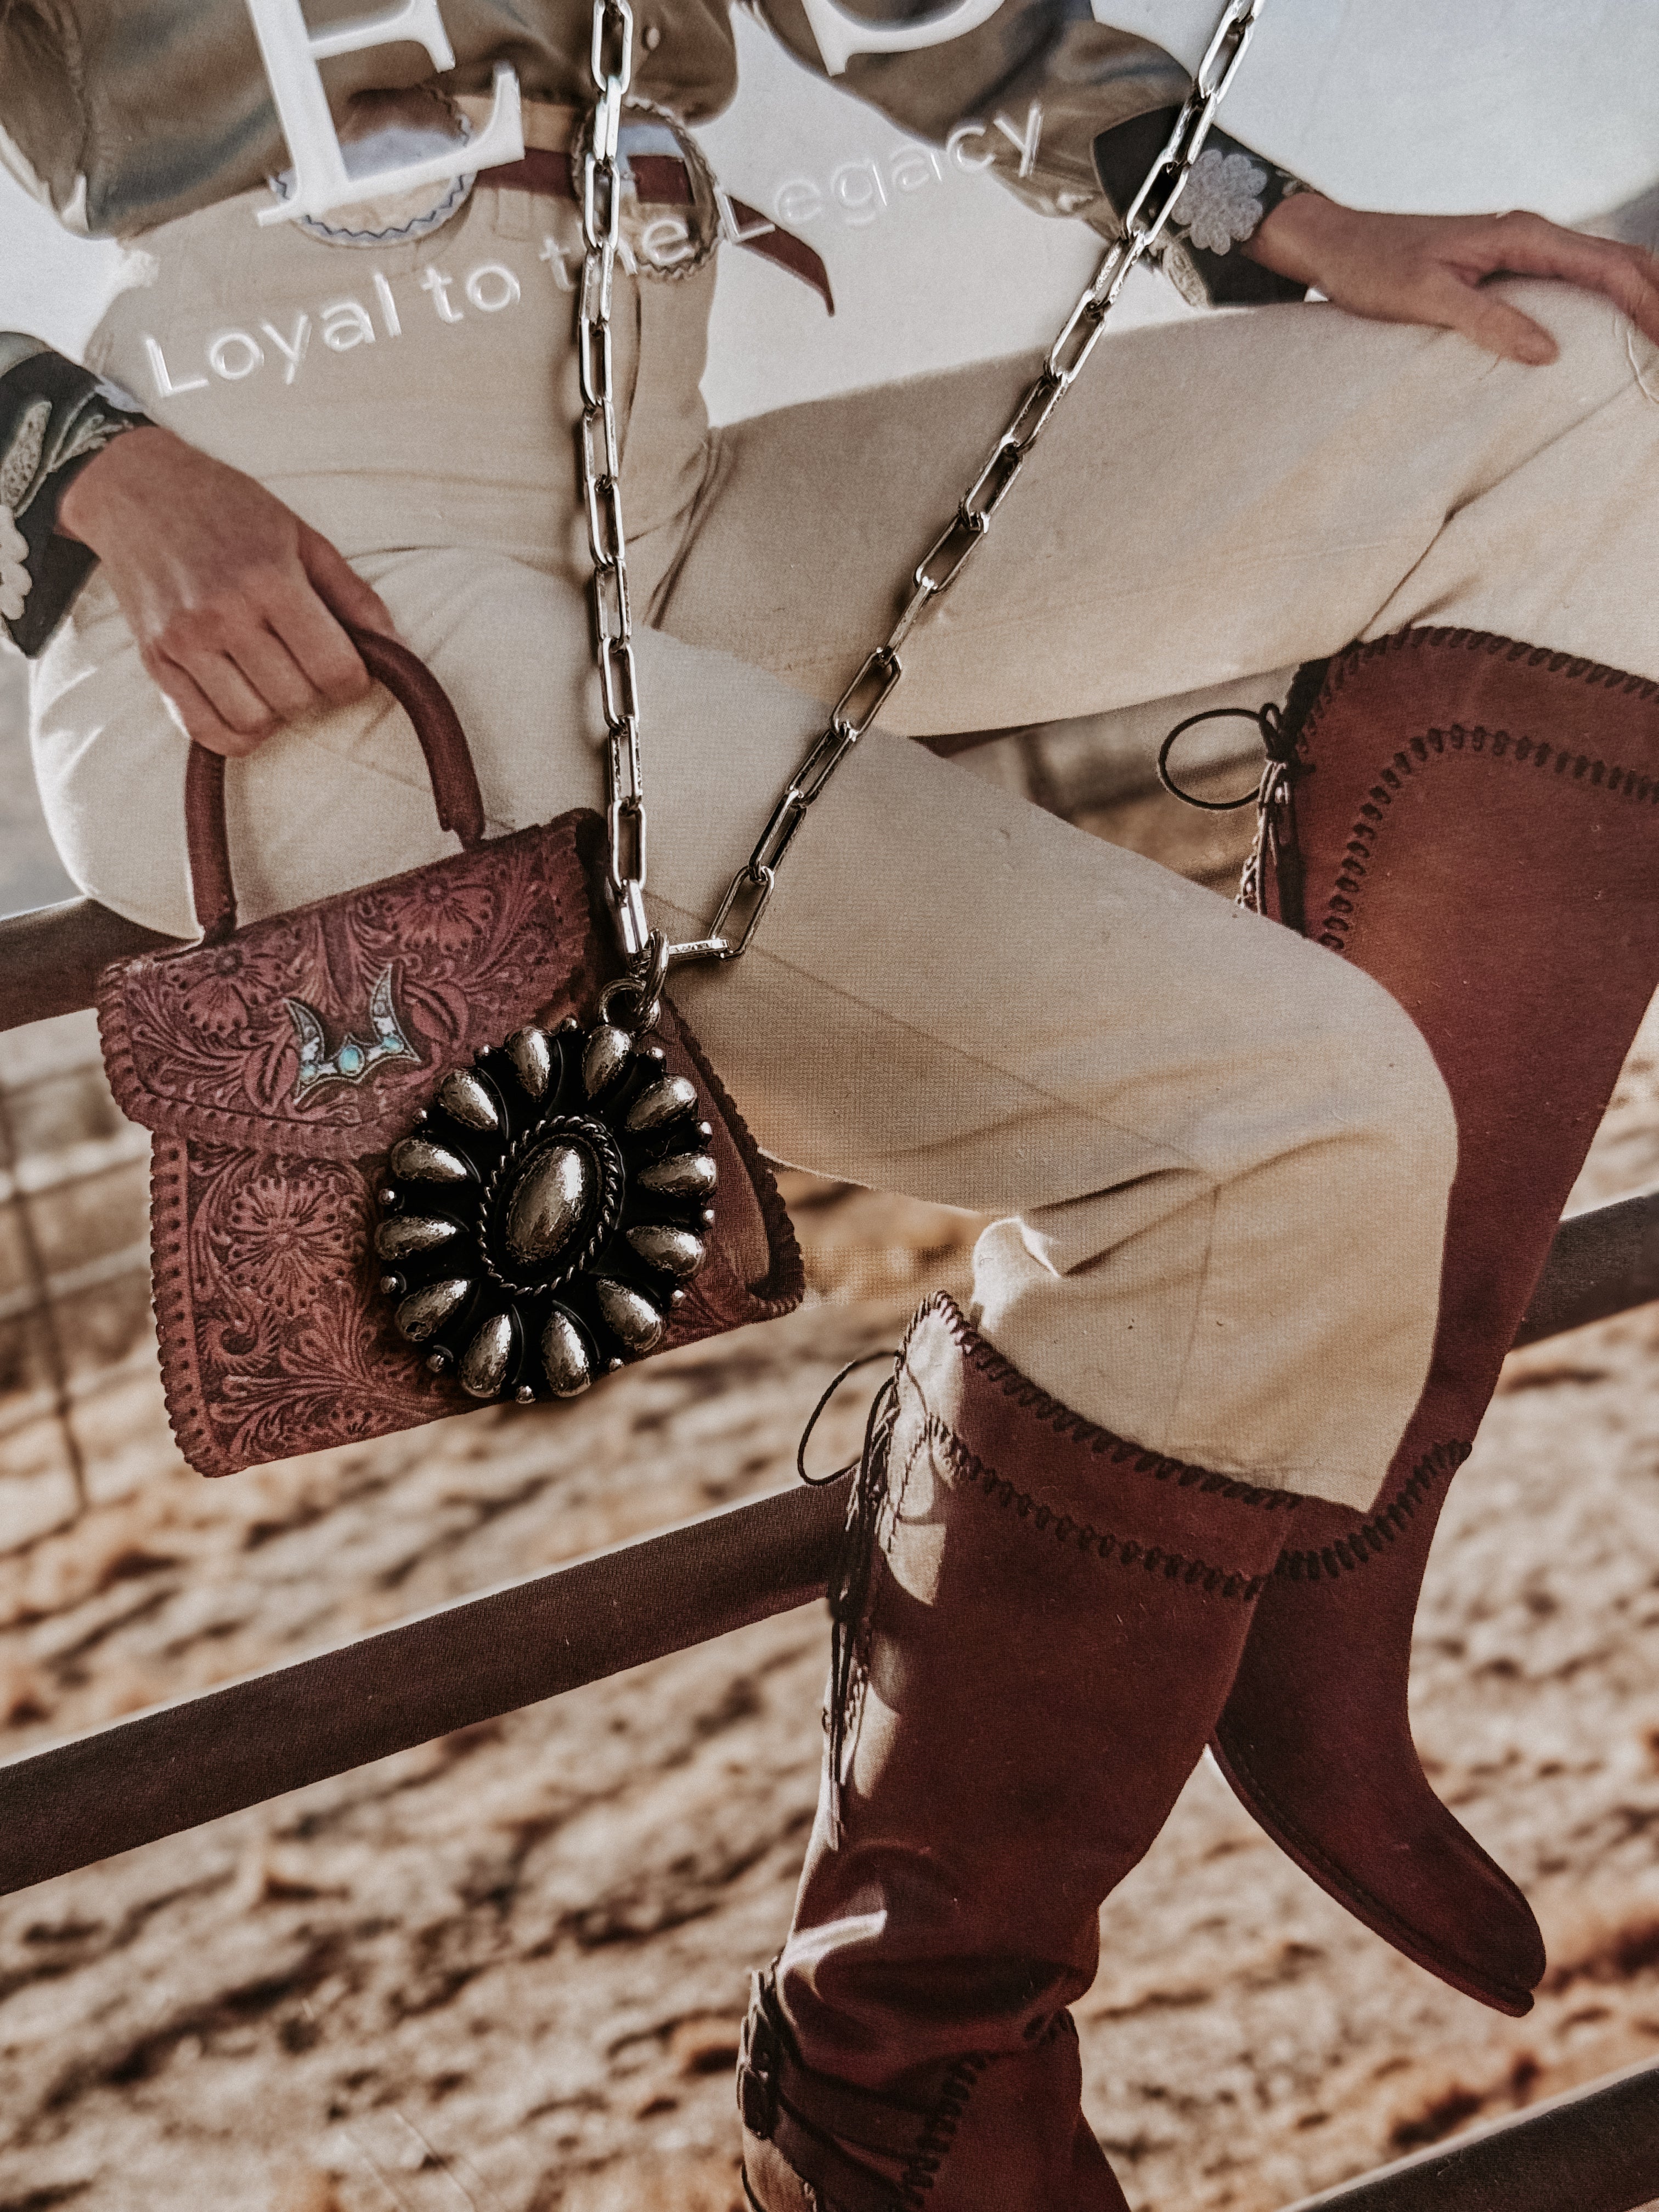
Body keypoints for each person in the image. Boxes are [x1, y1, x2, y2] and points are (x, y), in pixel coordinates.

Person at [3, 4, 1658, 2203]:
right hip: (308, 595)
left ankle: (1327, 1537)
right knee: (1294, 1108)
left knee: (1561, 409)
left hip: (641, 479)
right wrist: (72, 463)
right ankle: (898, 2082)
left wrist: (1273, 214)